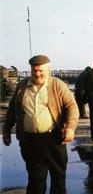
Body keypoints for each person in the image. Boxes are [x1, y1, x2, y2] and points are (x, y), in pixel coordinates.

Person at [2, 55, 79, 194]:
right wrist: (6, 130)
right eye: (34, 70)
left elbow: (71, 107)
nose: (37, 73)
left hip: (54, 139)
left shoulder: (57, 85)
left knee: (58, 178)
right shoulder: (22, 86)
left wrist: (70, 128)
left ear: (48, 70)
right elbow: (12, 110)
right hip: (30, 141)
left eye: (40, 70)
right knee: (35, 179)